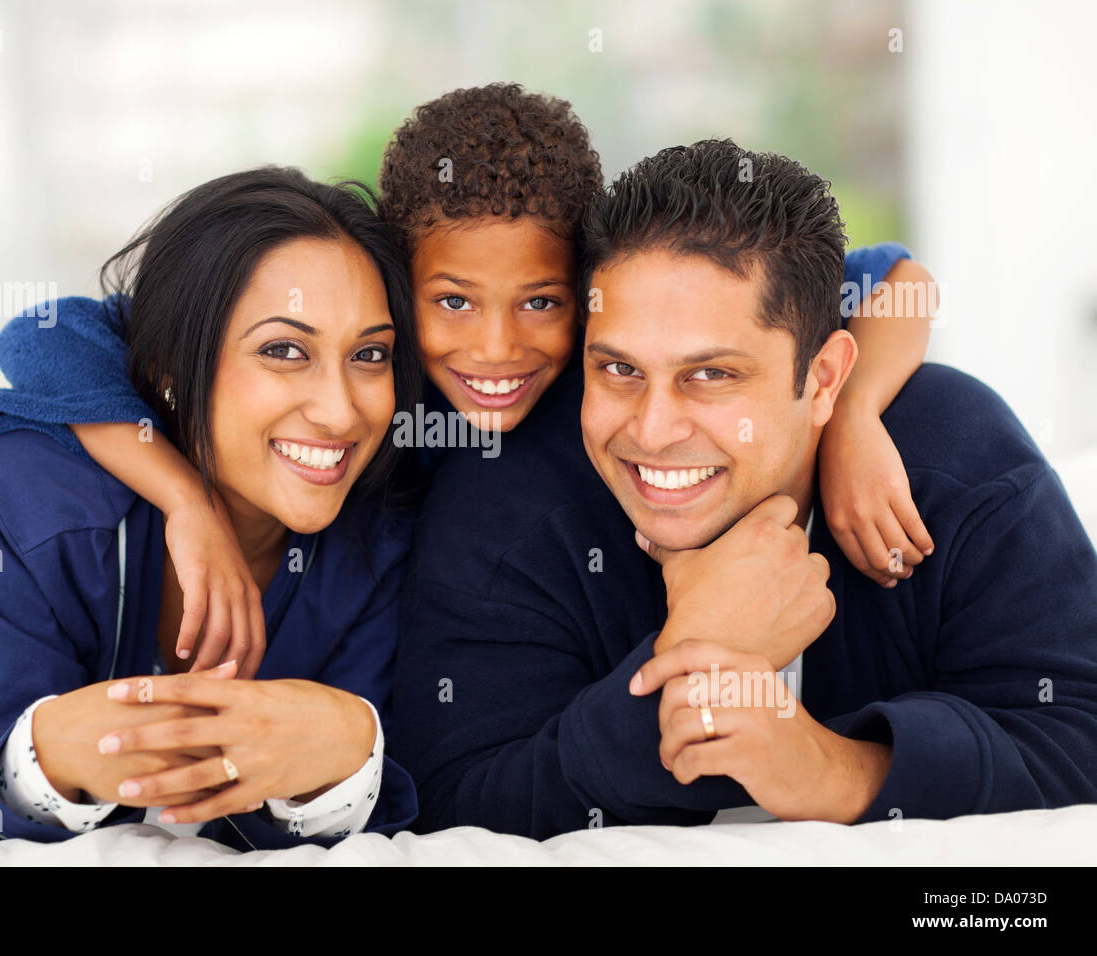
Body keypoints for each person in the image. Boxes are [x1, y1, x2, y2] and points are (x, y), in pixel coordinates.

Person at [0, 84, 940, 676]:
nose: (494, 350)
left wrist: (850, 418)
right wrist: (184, 502)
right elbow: (46, 332)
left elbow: (897, 277)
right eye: (450, 304)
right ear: (398, 280)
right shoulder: (360, 355)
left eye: (541, 303)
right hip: (75, 607)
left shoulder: (618, 369)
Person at [392, 139, 1097, 838]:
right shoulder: (500, 495)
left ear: (823, 380)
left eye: (712, 375)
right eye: (617, 370)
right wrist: (694, 654)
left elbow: (1079, 733)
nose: (654, 429)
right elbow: (449, 799)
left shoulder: (958, 459)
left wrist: (829, 770)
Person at [0, 167, 421, 850]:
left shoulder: (388, 523)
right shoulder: (23, 497)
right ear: (170, 372)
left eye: (369, 353)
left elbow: (374, 790)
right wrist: (52, 759)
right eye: (282, 350)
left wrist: (344, 754)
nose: (339, 410)